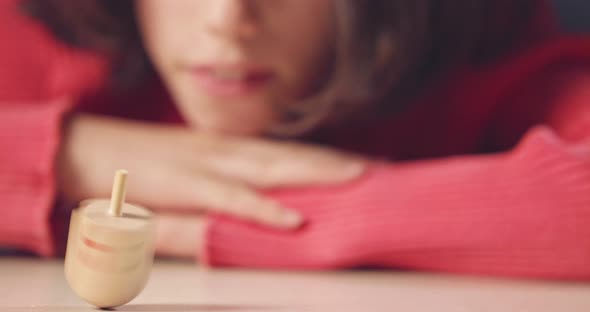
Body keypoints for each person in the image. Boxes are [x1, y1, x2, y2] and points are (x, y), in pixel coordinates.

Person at [1, 0, 589, 279]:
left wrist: (290, 214)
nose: (228, 21)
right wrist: (70, 151)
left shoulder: (477, 31)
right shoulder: (39, 27)